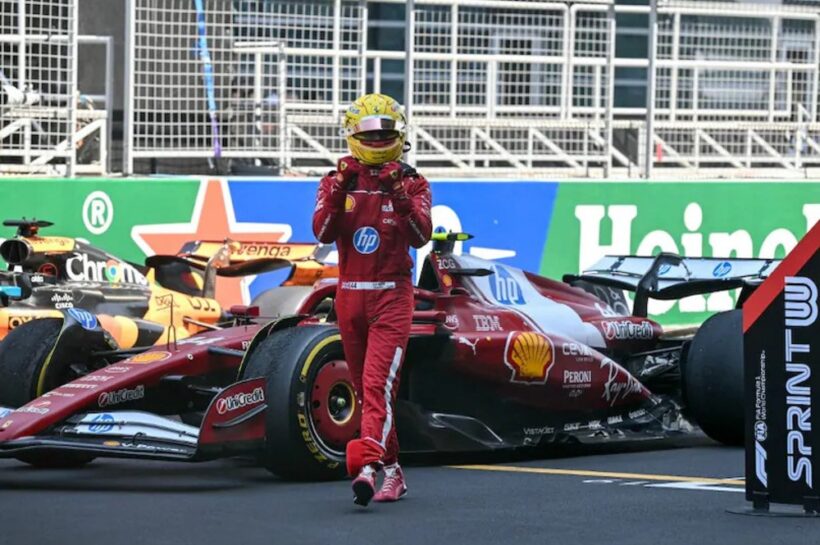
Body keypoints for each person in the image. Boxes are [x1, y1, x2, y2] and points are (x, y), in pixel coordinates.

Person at [312, 93, 432, 506]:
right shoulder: (334, 180)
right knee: (367, 394)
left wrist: (396, 193)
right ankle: (395, 472)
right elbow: (323, 232)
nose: (378, 139)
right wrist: (343, 185)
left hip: (392, 298)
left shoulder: (413, 181)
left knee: (377, 385)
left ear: (398, 133)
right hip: (349, 296)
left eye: (385, 131)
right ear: (352, 135)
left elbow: (421, 236)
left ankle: (366, 465)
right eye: (369, 133)